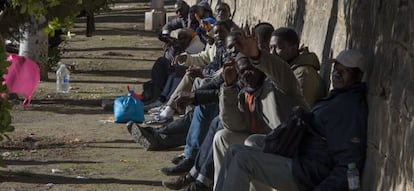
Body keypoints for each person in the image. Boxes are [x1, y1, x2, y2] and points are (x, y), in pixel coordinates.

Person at [215, 49, 368, 191]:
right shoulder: (336, 97)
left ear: (358, 77)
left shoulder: (349, 108)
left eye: (345, 71)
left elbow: (349, 162)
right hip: (299, 156)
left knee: (243, 159)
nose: (337, 74)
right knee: (235, 150)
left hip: (307, 173)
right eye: (336, 69)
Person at [212, 47, 308, 188]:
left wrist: (257, 55)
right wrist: (228, 86)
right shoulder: (246, 92)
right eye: (242, 71)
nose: (246, 74)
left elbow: (281, 72)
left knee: (252, 144)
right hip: (266, 142)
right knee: (222, 137)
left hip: (288, 145)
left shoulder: (277, 86)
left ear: (260, 67)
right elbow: (234, 125)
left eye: (250, 68)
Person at [269, 27, 325, 106]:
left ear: (293, 48)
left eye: (279, 47)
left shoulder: (303, 75)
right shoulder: (286, 71)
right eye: (271, 48)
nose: (272, 53)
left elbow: (300, 110)